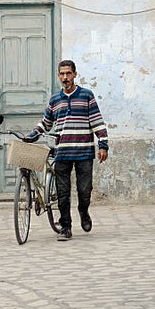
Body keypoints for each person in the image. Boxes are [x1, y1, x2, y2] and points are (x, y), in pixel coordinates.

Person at [25, 59, 109, 240]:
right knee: (63, 193)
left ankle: (83, 211)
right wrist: (32, 135)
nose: (65, 77)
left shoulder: (87, 96)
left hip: (84, 152)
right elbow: (46, 123)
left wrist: (103, 144)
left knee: (84, 190)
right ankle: (66, 227)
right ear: (58, 76)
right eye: (62, 74)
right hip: (62, 152)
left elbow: (97, 121)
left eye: (68, 73)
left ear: (75, 75)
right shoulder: (55, 100)